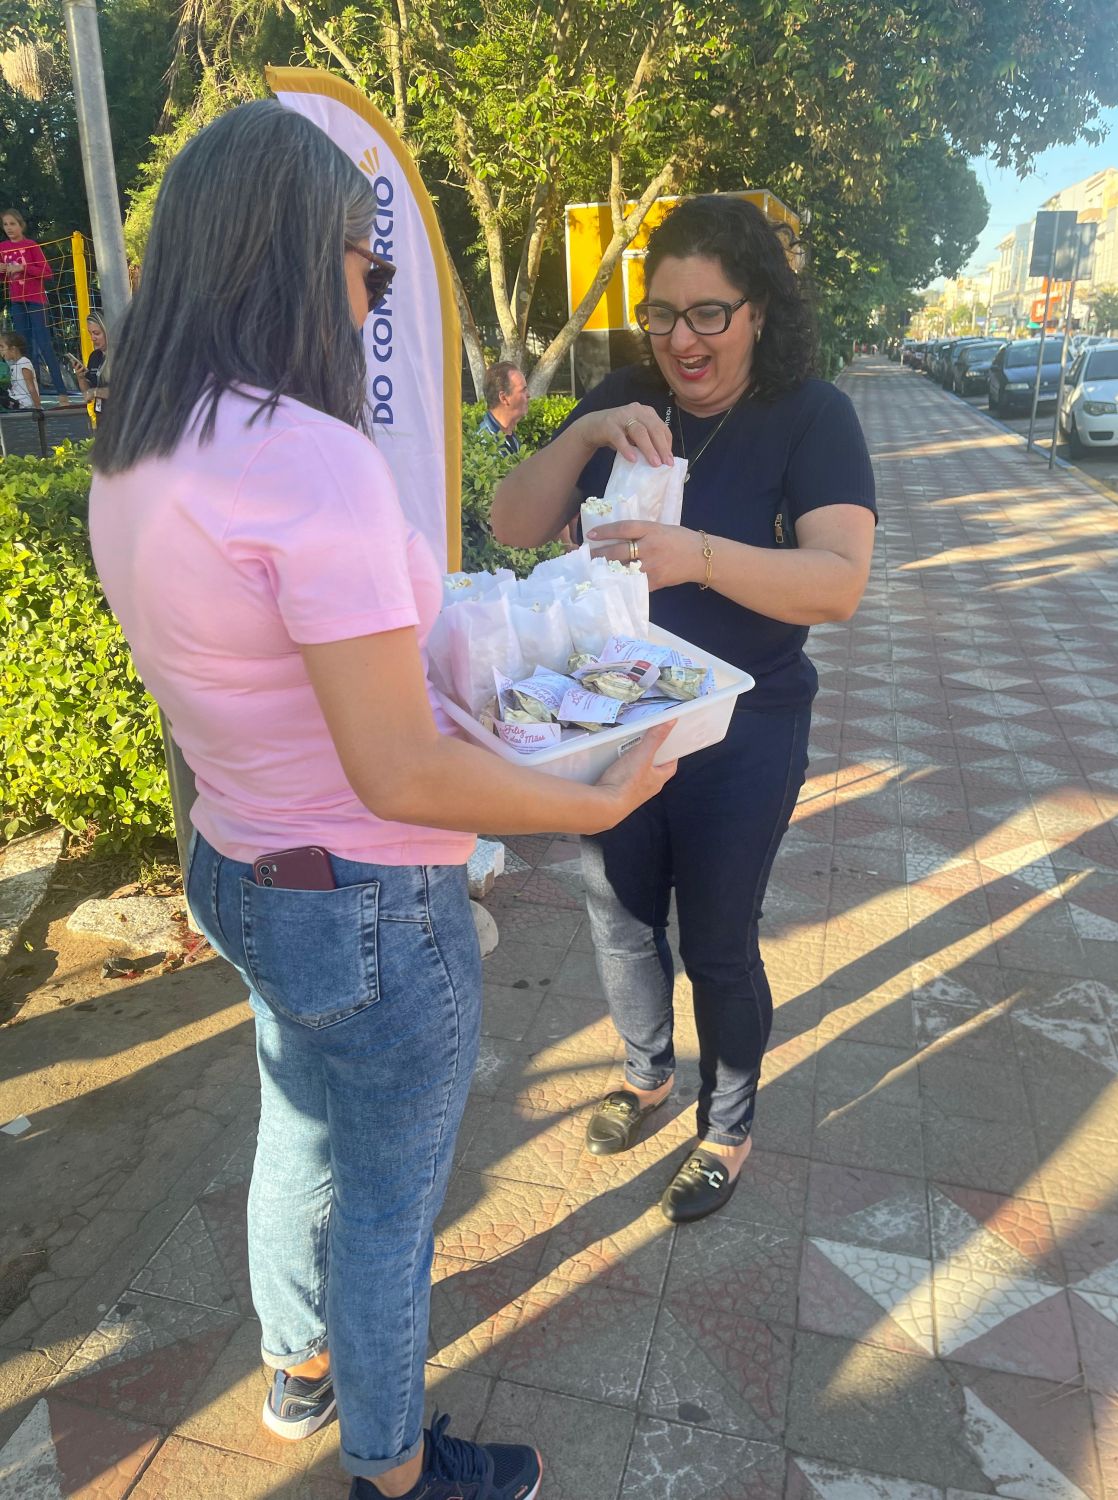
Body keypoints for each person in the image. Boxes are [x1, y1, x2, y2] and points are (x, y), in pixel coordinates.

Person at [87, 100, 674, 1500]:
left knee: (297, 1124)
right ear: (300, 258)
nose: (376, 289)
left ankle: (296, 1373)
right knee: (392, 1210)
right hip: (365, 898)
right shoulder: (308, 461)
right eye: (373, 265)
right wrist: (598, 802)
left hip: (239, 865)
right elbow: (400, 769)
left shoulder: (137, 446)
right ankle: (394, 1472)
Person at [492, 194, 876, 1224]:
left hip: (744, 726)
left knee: (715, 937)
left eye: (710, 313)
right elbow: (511, 521)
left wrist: (697, 557)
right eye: (663, 315)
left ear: (758, 312)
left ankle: (728, 1125)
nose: (683, 340)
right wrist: (579, 438)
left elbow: (838, 583)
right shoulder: (623, 393)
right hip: (617, 719)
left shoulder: (811, 414)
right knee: (616, 918)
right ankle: (646, 1073)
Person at [0, 209, 71, 407]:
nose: (9, 228)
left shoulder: (31, 245)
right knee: (24, 347)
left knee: (44, 343)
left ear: (21, 225)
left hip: (35, 300)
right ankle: (33, 393)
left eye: (12, 224)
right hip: (17, 301)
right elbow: (4, 278)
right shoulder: (2, 248)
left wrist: (24, 268)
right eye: (5, 225)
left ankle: (62, 393)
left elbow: (47, 273)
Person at [477, 360, 528, 455]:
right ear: (504, 398)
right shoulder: (485, 444)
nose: (528, 395)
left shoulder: (509, 436)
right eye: (523, 390)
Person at [71, 310, 110, 414]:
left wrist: (96, 392)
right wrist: (81, 377)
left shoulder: (121, 356)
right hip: (101, 416)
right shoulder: (94, 356)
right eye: (90, 333)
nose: (92, 338)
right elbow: (88, 395)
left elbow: (123, 392)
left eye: (96, 333)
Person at [0, 331, 42, 412]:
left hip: (24, 405)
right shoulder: (12, 364)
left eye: (2, 347)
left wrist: (38, 407)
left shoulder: (24, 362)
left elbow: (31, 388)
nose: (0, 350)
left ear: (13, 349)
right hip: (14, 401)